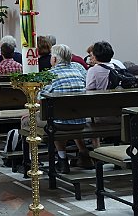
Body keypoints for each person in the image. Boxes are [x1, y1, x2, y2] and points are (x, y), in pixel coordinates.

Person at [21, 44, 90, 173]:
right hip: (81, 120)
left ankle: (36, 161)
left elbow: (38, 100)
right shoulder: (79, 69)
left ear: (54, 59)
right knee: (68, 113)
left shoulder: (50, 75)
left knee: (28, 120)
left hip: (58, 123)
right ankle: (83, 154)